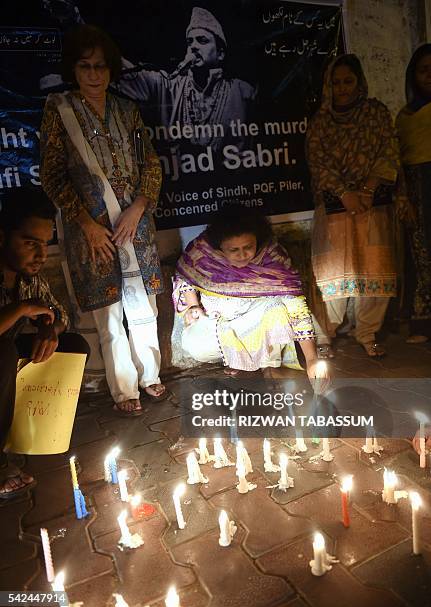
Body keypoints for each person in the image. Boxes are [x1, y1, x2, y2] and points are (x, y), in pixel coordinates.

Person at [40, 24, 166, 416]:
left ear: (110, 69)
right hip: (90, 231)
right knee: (109, 314)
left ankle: (150, 375)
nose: (94, 74)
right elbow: (52, 174)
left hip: (135, 224)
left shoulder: (127, 111)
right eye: (85, 67)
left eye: (100, 66)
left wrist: (139, 205)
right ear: (74, 71)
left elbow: (151, 164)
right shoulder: (60, 111)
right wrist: (87, 223)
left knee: (143, 307)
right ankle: (124, 389)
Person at [306, 54, 400, 359]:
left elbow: (389, 150)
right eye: (336, 82)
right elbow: (318, 162)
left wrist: (368, 188)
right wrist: (345, 192)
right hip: (335, 205)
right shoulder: (321, 123)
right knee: (331, 272)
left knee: (376, 268)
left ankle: (367, 332)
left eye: (348, 81)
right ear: (328, 85)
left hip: (373, 203)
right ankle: (326, 334)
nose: (343, 88)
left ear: (359, 82)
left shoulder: (376, 113)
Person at [0, 188, 89, 501]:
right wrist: (22, 309)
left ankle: (29, 434)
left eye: (44, 244)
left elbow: (59, 313)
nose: (41, 255)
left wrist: (50, 329)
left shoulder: (28, 276)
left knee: (73, 345)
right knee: (3, 354)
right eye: (29, 243)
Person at [172, 209, 323, 382]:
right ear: (219, 247)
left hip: (255, 318)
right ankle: (235, 358)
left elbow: (297, 309)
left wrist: (312, 360)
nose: (242, 255)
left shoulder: (272, 257)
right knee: (195, 346)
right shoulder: (202, 252)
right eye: (233, 250)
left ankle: (269, 365)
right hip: (217, 322)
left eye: (248, 247)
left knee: (279, 311)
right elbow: (184, 277)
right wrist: (193, 305)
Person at [117, 6, 256, 157]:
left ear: (220, 53)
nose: (194, 46)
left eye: (202, 41)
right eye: (190, 42)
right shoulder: (169, 87)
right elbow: (123, 72)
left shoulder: (243, 92)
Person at [396, 44, 431, 343]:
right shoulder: (405, 116)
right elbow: (400, 160)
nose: (429, 75)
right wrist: (404, 196)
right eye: (423, 69)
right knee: (421, 252)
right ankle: (422, 321)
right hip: (419, 187)